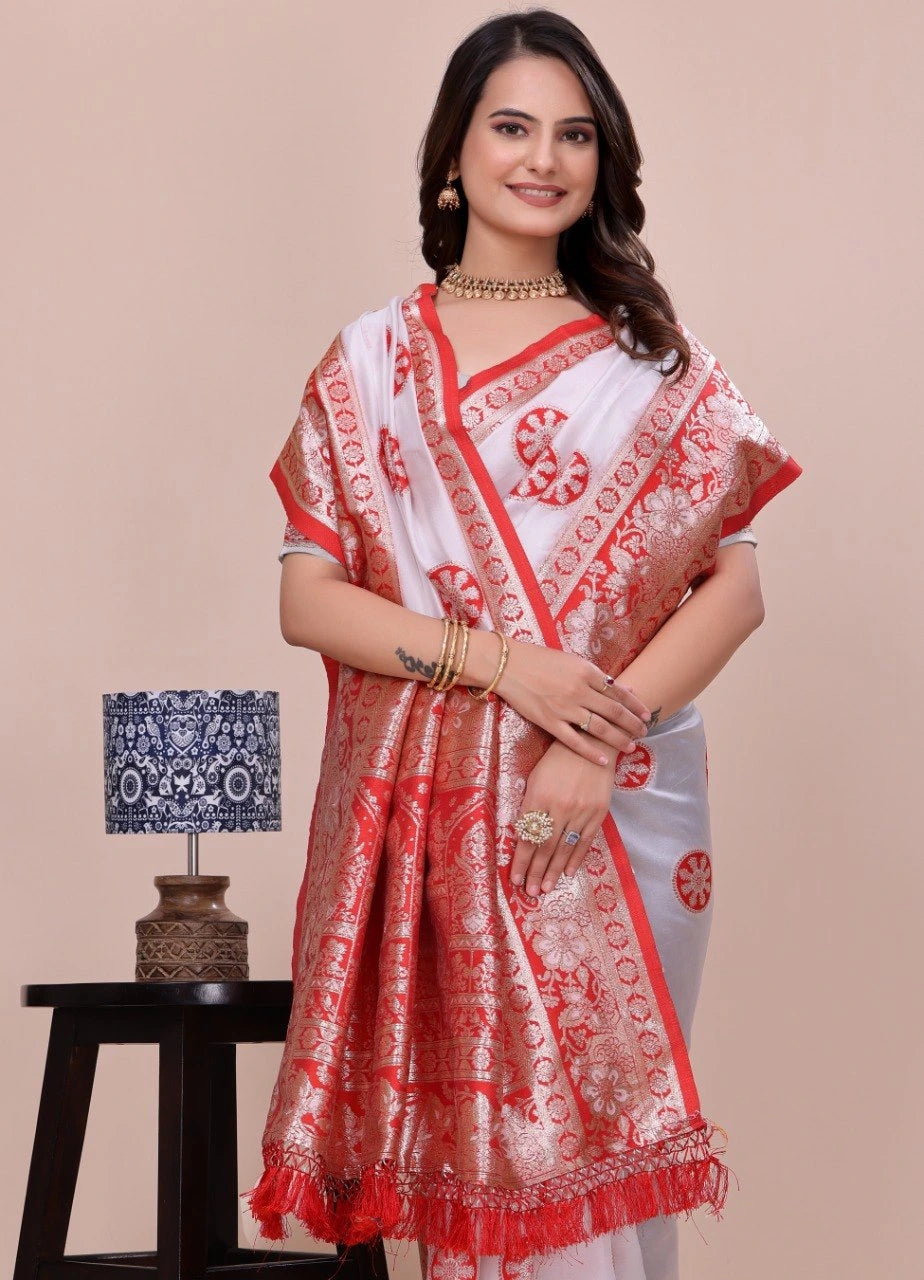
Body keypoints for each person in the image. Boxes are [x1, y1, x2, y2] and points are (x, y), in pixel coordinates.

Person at [244, 9, 801, 1279]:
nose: (542, 157)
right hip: (429, 817)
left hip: (615, 806)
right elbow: (312, 600)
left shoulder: (653, 365)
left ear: (603, 163)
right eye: (511, 127)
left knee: (588, 1163)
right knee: (463, 1170)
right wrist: (509, 670)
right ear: (454, 154)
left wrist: (588, 745)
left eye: (574, 134)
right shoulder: (370, 363)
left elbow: (736, 592)